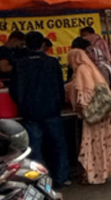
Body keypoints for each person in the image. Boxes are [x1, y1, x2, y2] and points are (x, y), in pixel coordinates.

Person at [10, 31, 69, 187]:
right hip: (51, 110)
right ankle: (61, 178)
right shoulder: (52, 62)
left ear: (26, 44)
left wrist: (23, 105)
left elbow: (14, 90)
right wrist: (59, 103)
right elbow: (60, 87)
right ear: (43, 44)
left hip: (29, 112)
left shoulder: (19, 64)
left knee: (34, 148)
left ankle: (41, 180)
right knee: (58, 146)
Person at [65, 49, 111, 185]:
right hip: (103, 114)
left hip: (93, 115)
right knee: (102, 144)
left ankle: (93, 174)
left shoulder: (82, 70)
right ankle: (102, 172)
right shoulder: (90, 68)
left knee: (92, 145)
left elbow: (83, 95)